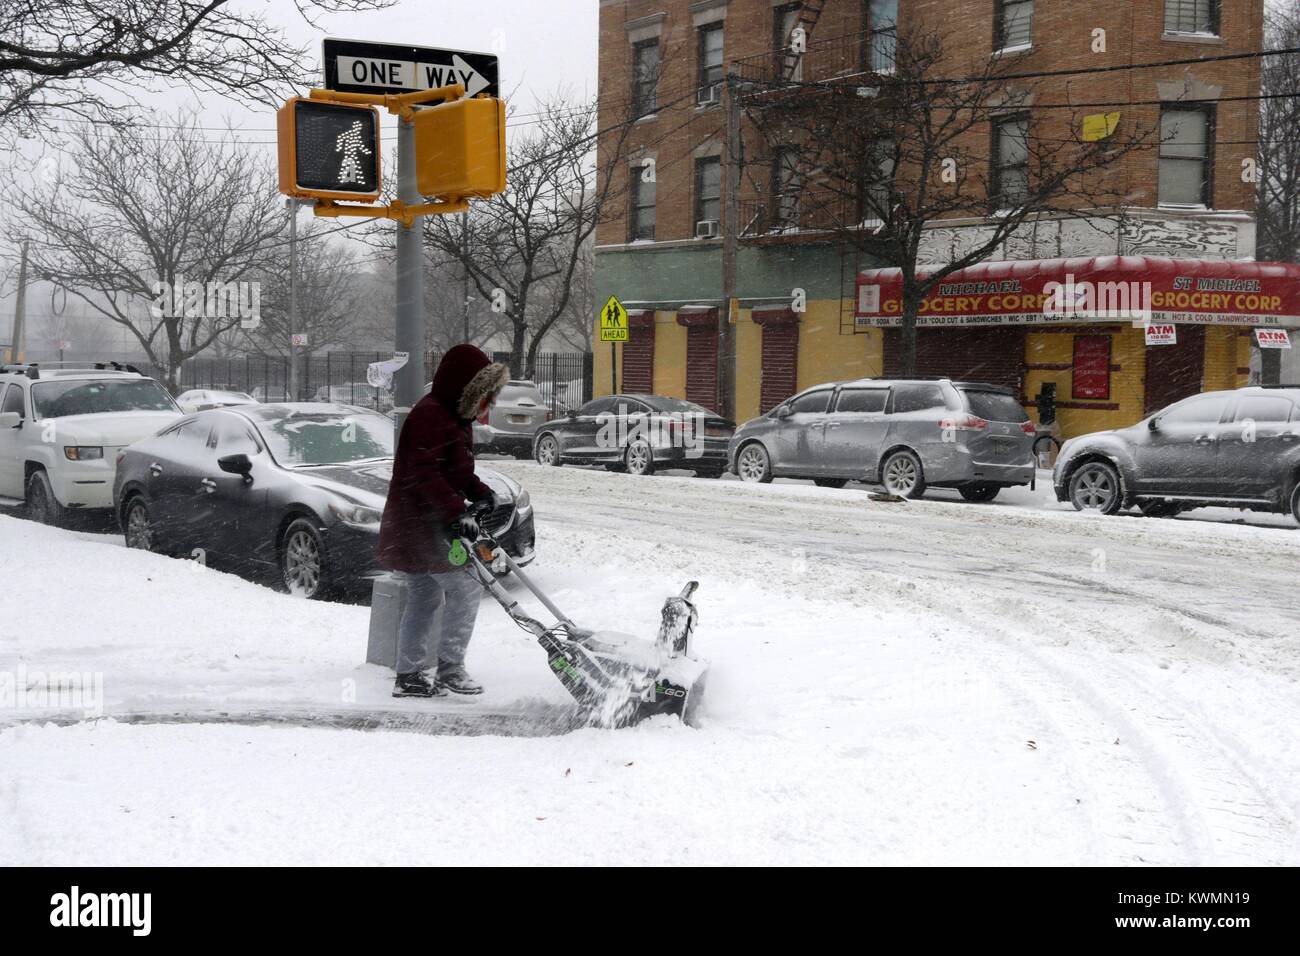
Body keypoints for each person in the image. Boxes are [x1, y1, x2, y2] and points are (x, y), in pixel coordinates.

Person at [377, 344, 508, 698]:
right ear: (467, 388)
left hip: (422, 522)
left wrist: (481, 492)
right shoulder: (431, 415)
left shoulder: (453, 416)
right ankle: (449, 668)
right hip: (422, 524)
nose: (489, 403)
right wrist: (457, 512)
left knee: (424, 597)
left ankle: (409, 674)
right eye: (485, 394)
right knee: (466, 589)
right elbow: (423, 474)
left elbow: (455, 471)